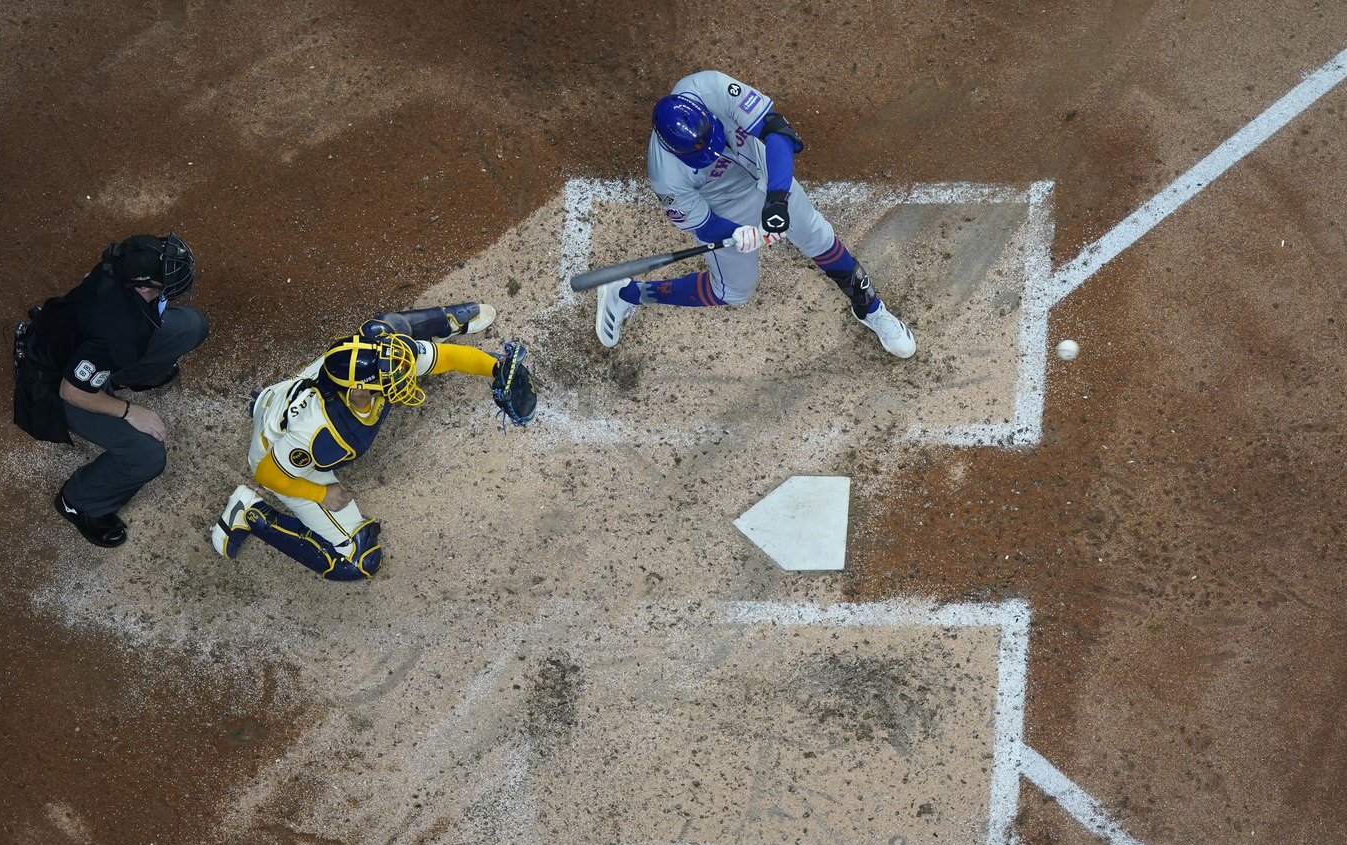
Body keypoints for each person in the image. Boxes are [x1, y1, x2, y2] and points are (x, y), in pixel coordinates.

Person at [595, 71, 916, 360]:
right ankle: (626, 293)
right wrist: (737, 233)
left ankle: (870, 308)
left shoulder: (709, 87)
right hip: (725, 206)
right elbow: (704, 226)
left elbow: (777, 131)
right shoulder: (667, 177)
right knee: (733, 292)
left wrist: (777, 200)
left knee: (817, 236)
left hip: (767, 169)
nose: (710, 149)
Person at [211, 303, 536, 581]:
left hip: (280, 398)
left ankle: (452, 319)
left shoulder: (378, 355)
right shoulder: (322, 434)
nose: (405, 374)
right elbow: (268, 475)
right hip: (275, 452)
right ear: (358, 392)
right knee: (358, 562)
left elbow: (446, 358)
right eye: (393, 377)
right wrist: (321, 493)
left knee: (388, 327)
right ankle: (248, 512)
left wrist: (495, 368)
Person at [12, 233, 207, 548]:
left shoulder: (117, 262)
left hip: (84, 345)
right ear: (142, 286)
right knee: (146, 455)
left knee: (191, 326)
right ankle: (80, 502)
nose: (178, 276)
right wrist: (129, 411)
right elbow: (72, 392)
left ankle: (137, 376)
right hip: (55, 384)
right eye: (165, 276)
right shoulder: (118, 330)